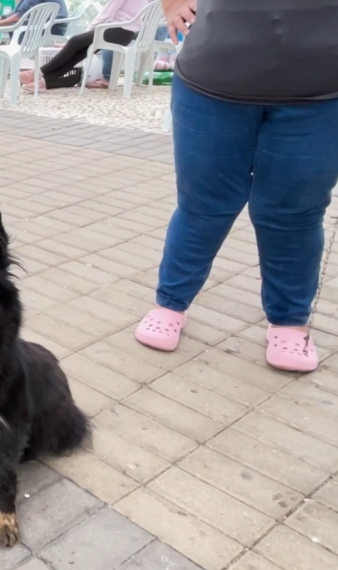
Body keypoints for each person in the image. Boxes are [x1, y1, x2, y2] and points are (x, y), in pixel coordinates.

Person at [134, 0, 338, 373]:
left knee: (295, 212)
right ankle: (170, 303)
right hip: (212, 82)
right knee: (202, 206)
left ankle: (290, 320)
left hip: (323, 94)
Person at [20, 0, 148, 91]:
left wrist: (86, 34)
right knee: (81, 52)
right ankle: (43, 82)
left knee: (75, 42)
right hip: (124, 33)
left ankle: (38, 72)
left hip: (118, 30)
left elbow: (106, 13)